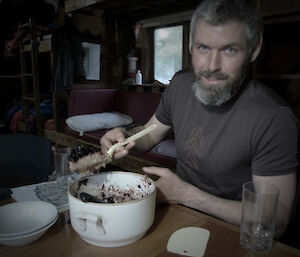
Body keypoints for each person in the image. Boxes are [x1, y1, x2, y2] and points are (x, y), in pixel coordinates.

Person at [100, 0, 298, 238]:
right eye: (203, 48)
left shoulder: (274, 117)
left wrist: (186, 194)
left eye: (229, 50)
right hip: (177, 217)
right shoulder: (180, 84)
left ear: (254, 50)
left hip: (233, 233)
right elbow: (151, 132)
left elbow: (276, 219)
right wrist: (125, 137)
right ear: (191, 43)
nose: (212, 66)